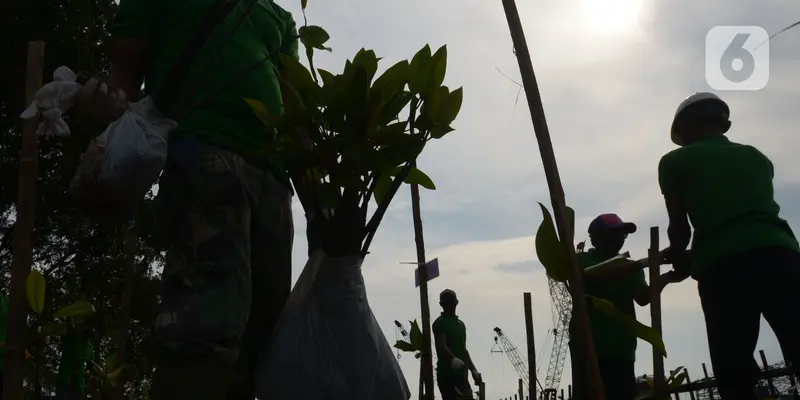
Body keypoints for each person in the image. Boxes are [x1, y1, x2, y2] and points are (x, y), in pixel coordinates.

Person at [108, 1, 303, 398]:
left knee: (263, 337)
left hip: (274, 179)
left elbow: (296, 111)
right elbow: (124, 70)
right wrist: (106, 121)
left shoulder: (279, 18)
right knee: (204, 325)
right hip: (203, 155)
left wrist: (322, 204)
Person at [658, 92, 800, 399]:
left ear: (683, 129)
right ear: (725, 124)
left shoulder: (674, 161)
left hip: (723, 265)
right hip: (782, 254)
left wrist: (679, 255)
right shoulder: (757, 157)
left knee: (733, 366)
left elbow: (680, 228)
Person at [569, 214, 676, 400]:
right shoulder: (582, 260)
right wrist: (645, 262)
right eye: (614, 233)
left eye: (623, 234)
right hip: (589, 344)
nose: (619, 239)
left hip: (622, 347)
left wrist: (668, 278)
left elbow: (642, 298)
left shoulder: (630, 266)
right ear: (595, 237)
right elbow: (599, 274)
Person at [433, 289, 481, 400]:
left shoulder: (460, 325)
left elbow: (464, 351)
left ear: (456, 302)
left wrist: (473, 370)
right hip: (447, 375)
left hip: (461, 375)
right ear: (441, 304)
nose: (449, 303)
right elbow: (441, 345)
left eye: (451, 300)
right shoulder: (440, 322)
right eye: (446, 300)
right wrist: (453, 358)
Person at [56, 323, 94, 400]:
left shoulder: (90, 348)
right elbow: (61, 346)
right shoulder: (72, 339)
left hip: (78, 384)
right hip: (65, 380)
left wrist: (87, 372)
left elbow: (91, 364)